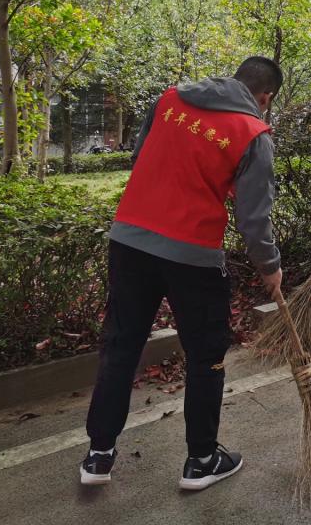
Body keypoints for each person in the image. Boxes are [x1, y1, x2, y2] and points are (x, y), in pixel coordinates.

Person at [81, 57, 283, 490]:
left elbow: (141, 156)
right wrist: (270, 267)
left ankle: (98, 455)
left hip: (130, 240)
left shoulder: (170, 99)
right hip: (192, 254)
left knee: (121, 345)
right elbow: (253, 220)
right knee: (206, 355)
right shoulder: (254, 134)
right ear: (265, 98)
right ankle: (202, 460)